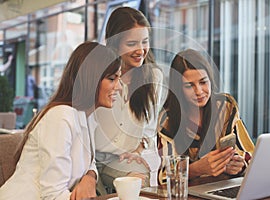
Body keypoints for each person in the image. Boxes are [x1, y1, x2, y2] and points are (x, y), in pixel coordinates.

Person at [0, 42, 122, 200]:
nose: (118, 87)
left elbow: (89, 162)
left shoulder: (87, 117)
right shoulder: (60, 117)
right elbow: (53, 194)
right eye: (112, 78)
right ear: (90, 79)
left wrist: (90, 178)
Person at [89, 7, 165, 193]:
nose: (141, 50)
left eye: (145, 42)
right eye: (132, 43)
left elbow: (149, 130)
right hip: (96, 161)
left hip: (130, 160)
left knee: (142, 181)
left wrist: (138, 151)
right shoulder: (98, 76)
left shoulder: (154, 77)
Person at [157, 49, 255, 184]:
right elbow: (163, 176)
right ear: (178, 88)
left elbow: (250, 157)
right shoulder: (167, 119)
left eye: (203, 82)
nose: (199, 91)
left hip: (223, 186)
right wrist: (196, 169)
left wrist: (238, 166)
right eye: (189, 86)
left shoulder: (225, 107)